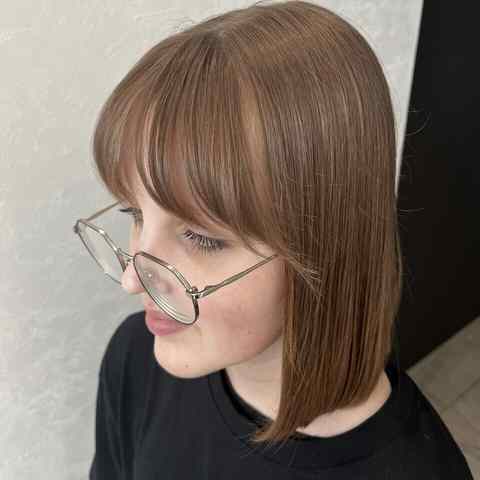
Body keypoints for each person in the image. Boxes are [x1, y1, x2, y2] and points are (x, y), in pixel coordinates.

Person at [87, 1, 474, 478]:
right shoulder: (135, 359)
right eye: (134, 213)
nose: (133, 279)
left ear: (326, 245)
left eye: (201, 238)